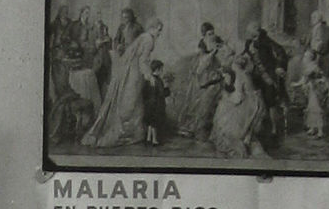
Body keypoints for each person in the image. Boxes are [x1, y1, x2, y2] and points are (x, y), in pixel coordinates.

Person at [81, 17, 163, 149]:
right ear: (153, 28)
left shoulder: (143, 37)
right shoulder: (149, 39)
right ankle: (125, 133)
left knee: (130, 102)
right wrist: (149, 76)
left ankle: (132, 132)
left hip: (130, 72)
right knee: (130, 103)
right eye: (159, 30)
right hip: (135, 74)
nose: (159, 33)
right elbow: (143, 61)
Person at [177, 22, 226, 141]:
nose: (212, 36)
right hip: (203, 74)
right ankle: (191, 128)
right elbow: (202, 64)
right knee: (196, 102)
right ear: (204, 35)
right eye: (209, 34)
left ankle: (208, 129)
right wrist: (213, 52)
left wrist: (220, 49)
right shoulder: (202, 45)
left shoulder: (216, 40)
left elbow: (223, 52)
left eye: (213, 33)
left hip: (214, 73)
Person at [142, 59, 169, 145]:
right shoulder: (158, 81)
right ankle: (154, 140)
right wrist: (167, 88)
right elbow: (162, 94)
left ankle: (148, 138)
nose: (162, 71)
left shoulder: (148, 79)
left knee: (150, 122)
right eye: (161, 69)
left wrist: (147, 101)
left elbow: (144, 92)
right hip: (156, 105)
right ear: (157, 69)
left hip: (148, 104)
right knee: (154, 123)